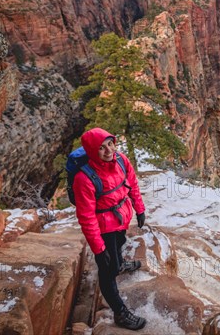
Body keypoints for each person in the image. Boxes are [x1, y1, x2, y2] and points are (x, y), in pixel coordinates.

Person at [73, 127, 147, 330]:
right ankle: (120, 314)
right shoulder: (84, 179)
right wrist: (99, 249)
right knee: (107, 270)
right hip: (103, 228)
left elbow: (132, 184)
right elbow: (86, 217)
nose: (108, 151)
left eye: (110, 144)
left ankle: (120, 263)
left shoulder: (122, 160)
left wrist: (139, 209)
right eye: (101, 148)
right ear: (91, 152)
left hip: (121, 218)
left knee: (121, 243)